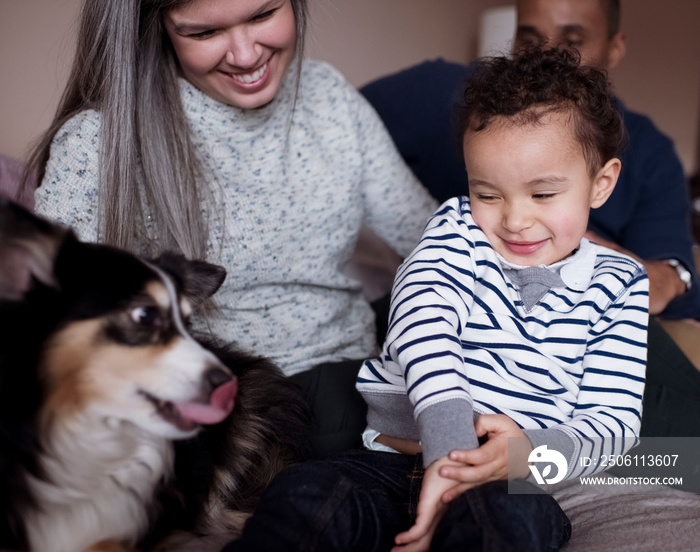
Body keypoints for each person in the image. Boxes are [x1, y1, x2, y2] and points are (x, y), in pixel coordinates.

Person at [222, 47, 648, 552]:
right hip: (389, 463)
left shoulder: (621, 282)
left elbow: (614, 424)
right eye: (488, 193)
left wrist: (528, 453)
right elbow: (423, 324)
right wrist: (448, 445)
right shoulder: (455, 229)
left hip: (507, 482)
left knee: (511, 525)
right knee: (305, 494)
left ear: (601, 184)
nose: (514, 219)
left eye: (542, 195)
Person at [27, 0, 438, 458]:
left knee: (504, 407)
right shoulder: (98, 142)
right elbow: (44, 324)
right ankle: (529, 473)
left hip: (361, 360)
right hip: (249, 397)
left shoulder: (327, 94)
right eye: (203, 34)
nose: (245, 56)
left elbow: (430, 239)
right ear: (158, 30)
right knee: (461, 451)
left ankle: (531, 467)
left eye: (263, 15)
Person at [360, 0, 700, 438]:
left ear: (615, 48)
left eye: (573, 39)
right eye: (528, 37)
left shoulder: (649, 155)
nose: (549, 53)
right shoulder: (453, 97)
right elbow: (335, 116)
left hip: (594, 332)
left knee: (676, 457)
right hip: (455, 325)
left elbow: (670, 278)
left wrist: (591, 255)